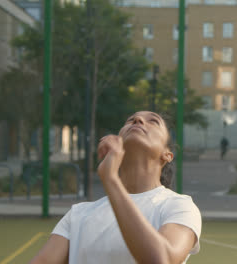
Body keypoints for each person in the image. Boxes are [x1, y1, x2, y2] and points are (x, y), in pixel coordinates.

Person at [30, 111, 202, 264]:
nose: (138, 120)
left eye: (153, 121)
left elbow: (162, 260)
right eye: (131, 120)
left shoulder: (179, 207)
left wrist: (111, 179)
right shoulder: (79, 214)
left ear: (167, 155)